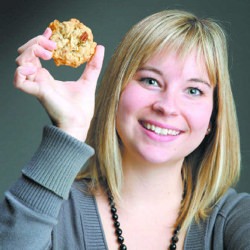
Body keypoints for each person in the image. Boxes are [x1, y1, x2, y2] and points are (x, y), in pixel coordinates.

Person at [0, 9, 250, 250]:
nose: (167, 107)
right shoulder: (52, 215)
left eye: (194, 90)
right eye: (150, 80)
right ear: (117, 91)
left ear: (213, 117)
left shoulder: (234, 220)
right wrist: (71, 128)